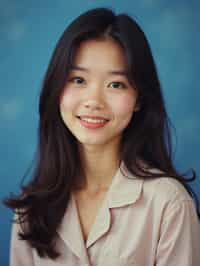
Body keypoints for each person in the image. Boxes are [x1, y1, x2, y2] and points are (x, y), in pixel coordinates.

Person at [3, 7, 200, 266]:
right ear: (57, 88)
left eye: (115, 84)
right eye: (78, 79)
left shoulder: (169, 205)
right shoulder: (30, 210)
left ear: (138, 98)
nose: (94, 101)